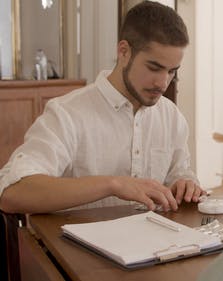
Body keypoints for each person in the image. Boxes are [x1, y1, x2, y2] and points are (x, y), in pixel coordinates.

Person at [0, 1, 204, 214]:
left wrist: (185, 182)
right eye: (154, 68)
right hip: (74, 246)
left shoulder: (171, 116)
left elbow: (179, 172)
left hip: (157, 244)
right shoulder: (67, 113)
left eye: (172, 71)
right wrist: (112, 185)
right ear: (123, 52)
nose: (163, 83)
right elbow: (11, 193)